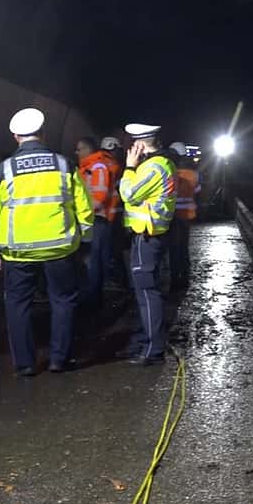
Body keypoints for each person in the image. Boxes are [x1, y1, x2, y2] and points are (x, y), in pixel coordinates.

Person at [0, 108, 94, 376]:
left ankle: (25, 364)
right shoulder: (65, 165)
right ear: (43, 134)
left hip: (18, 252)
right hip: (60, 248)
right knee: (63, 301)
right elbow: (84, 209)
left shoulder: (3, 170)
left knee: (18, 304)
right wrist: (86, 243)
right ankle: (59, 360)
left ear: (15, 136)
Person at [115, 123, 177, 366]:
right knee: (143, 293)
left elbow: (129, 194)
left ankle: (153, 350)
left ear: (140, 144)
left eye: (133, 143)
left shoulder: (153, 166)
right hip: (148, 235)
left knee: (147, 293)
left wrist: (129, 167)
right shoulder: (159, 163)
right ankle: (140, 342)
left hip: (147, 236)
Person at [74, 137, 116, 315]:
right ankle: (90, 298)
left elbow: (99, 197)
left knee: (91, 262)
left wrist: (79, 211)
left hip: (96, 220)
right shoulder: (86, 167)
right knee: (89, 262)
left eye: (80, 149)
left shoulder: (97, 167)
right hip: (90, 219)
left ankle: (92, 301)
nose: (77, 152)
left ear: (88, 150)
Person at [167, 142, 201, 291]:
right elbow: (198, 191)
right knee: (184, 248)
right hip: (187, 216)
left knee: (173, 250)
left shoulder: (170, 172)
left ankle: (175, 281)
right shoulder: (194, 174)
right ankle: (185, 278)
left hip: (173, 216)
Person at [101, 136, 128, 288]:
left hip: (101, 214)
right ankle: (120, 280)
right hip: (115, 213)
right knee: (116, 250)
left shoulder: (98, 164)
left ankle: (109, 279)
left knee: (106, 249)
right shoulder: (117, 167)